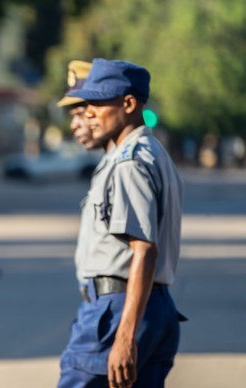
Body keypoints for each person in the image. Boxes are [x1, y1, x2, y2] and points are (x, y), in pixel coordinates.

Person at [57, 58, 186, 388]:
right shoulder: (153, 152)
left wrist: (125, 336)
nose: (89, 113)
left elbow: (144, 250)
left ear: (128, 104)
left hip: (118, 308)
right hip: (153, 306)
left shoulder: (129, 163)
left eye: (98, 104)